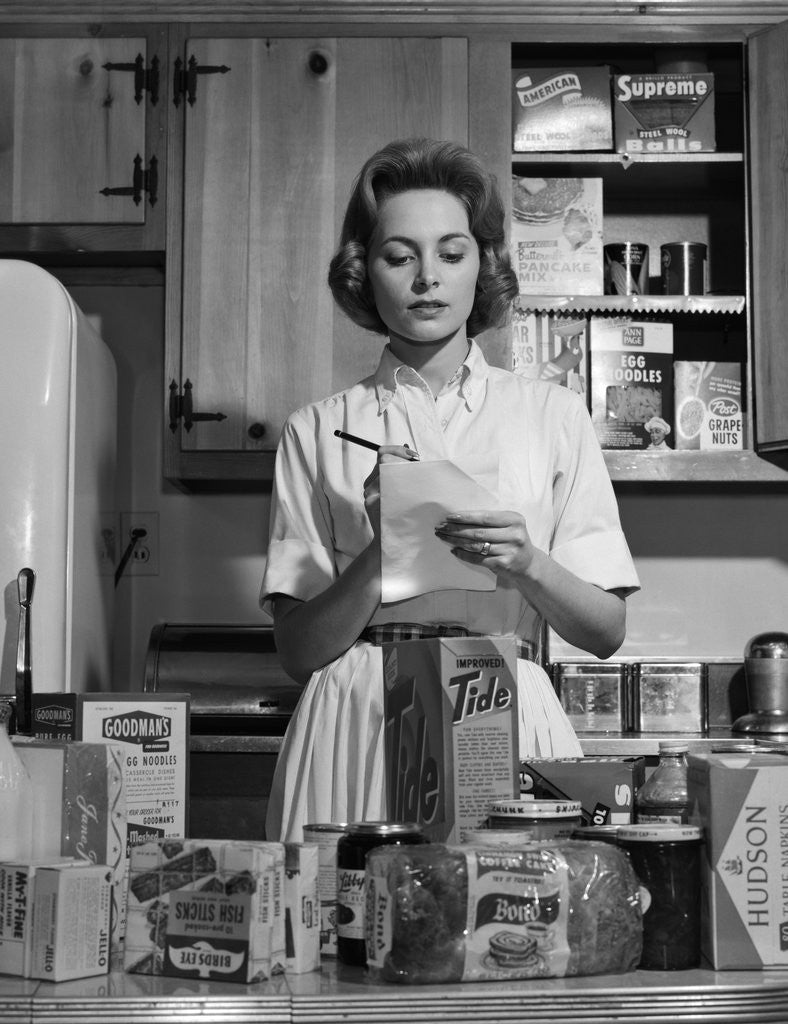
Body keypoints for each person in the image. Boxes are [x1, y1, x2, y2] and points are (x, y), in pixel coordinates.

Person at [261, 138, 640, 842]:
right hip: (358, 715)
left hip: (505, 695)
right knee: (350, 930)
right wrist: (384, 554)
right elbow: (298, 650)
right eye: (399, 256)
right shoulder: (317, 431)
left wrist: (526, 561)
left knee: (509, 936)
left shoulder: (551, 416)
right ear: (363, 272)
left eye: (452, 253)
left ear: (484, 266)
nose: (426, 278)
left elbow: (604, 633)